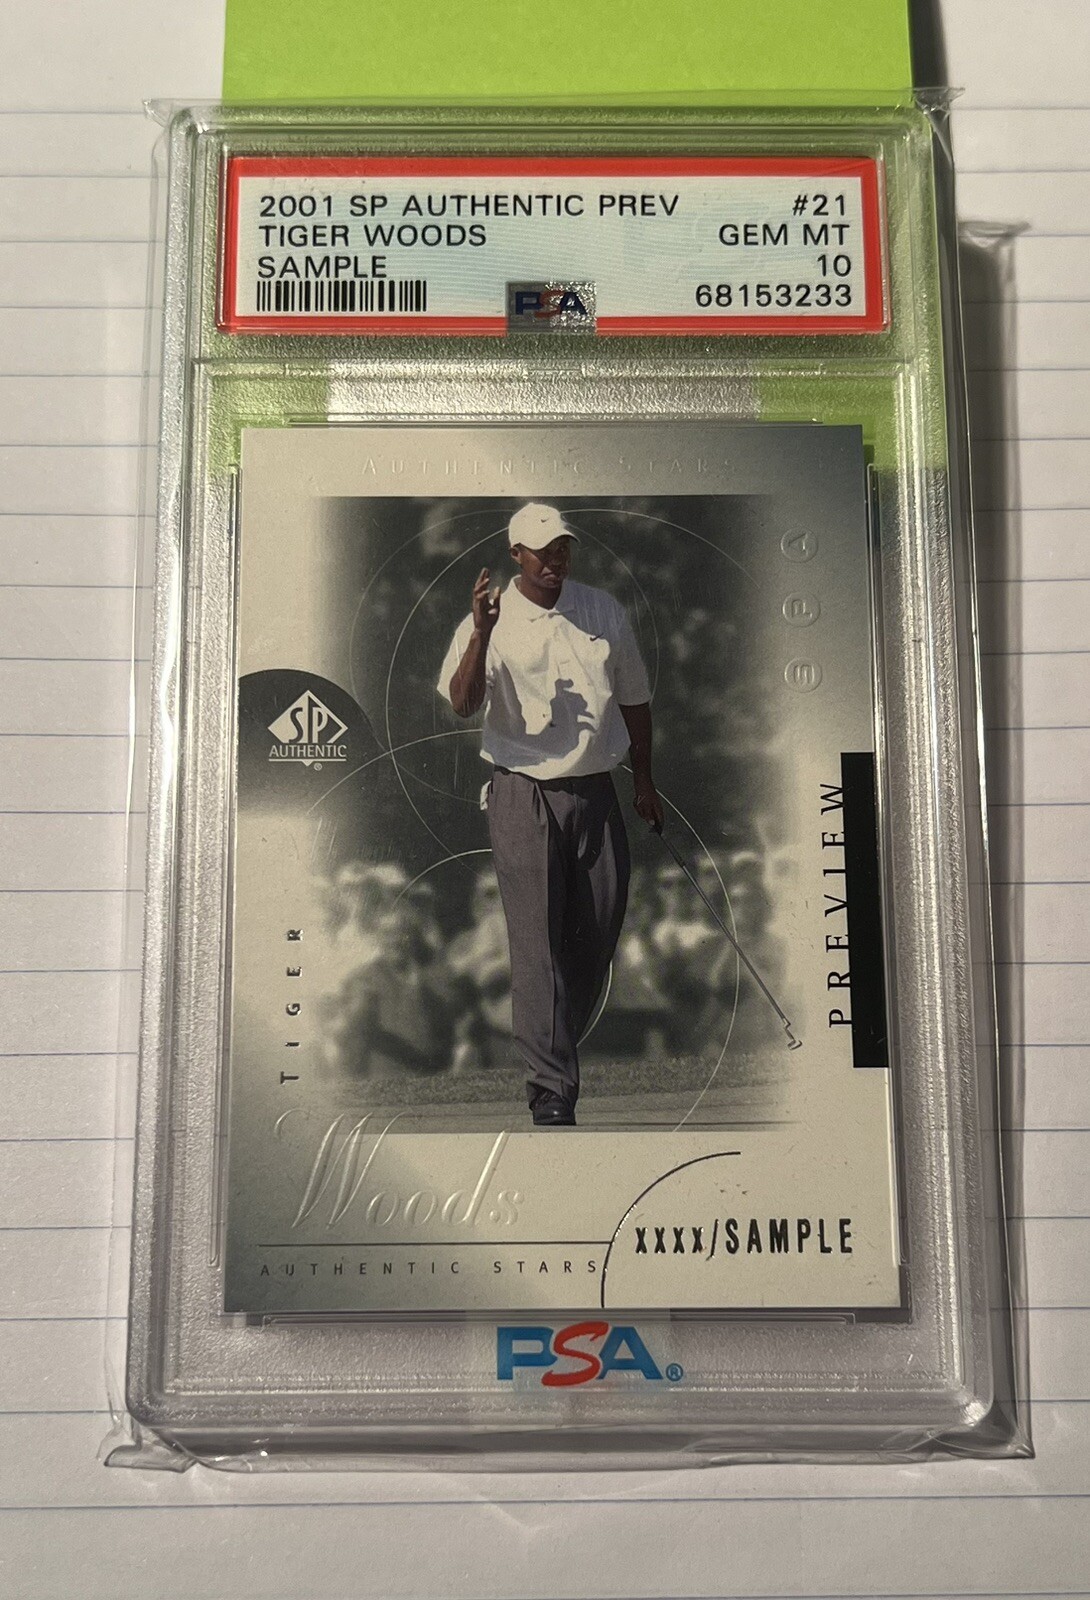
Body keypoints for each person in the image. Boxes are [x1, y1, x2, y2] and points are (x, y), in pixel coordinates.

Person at [437, 502, 664, 1127]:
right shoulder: (486, 619)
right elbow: (463, 703)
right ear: (517, 555)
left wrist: (645, 781)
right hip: (521, 791)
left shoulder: (602, 610)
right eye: (542, 551)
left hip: (595, 790)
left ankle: (553, 1046)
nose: (555, 560)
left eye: (562, 548)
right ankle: (551, 1089)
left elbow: (635, 700)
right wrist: (481, 634)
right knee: (537, 945)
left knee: (596, 935)